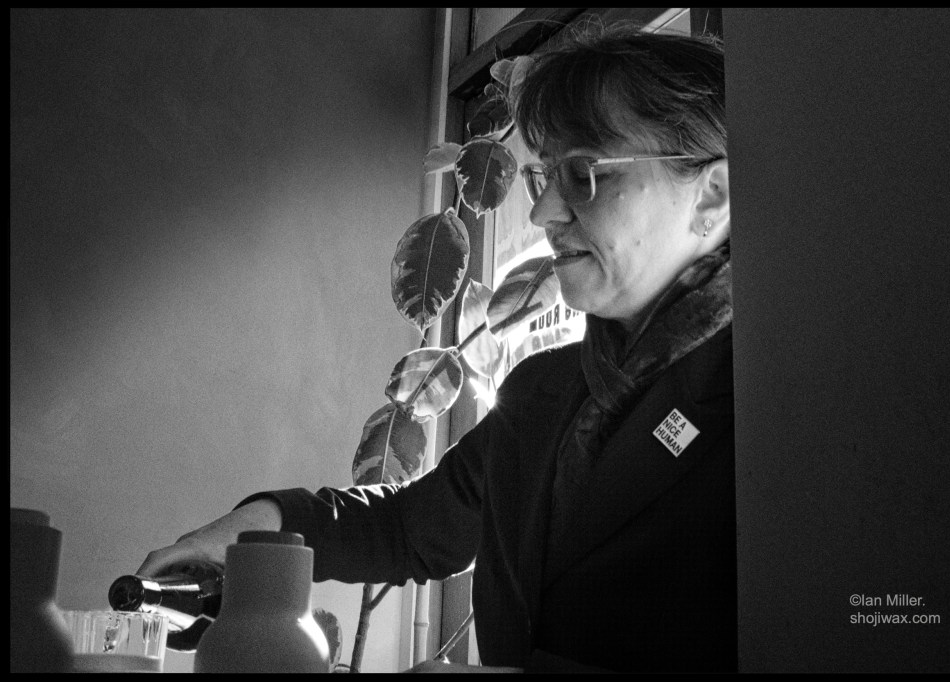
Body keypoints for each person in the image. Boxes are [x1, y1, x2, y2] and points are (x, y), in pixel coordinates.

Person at [138, 25, 734, 673]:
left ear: (713, 195)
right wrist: (242, 534)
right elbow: (408, 529)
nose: (543, 216)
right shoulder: (544, 390)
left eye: (585, 175)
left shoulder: (783, 399)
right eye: (544, 178)